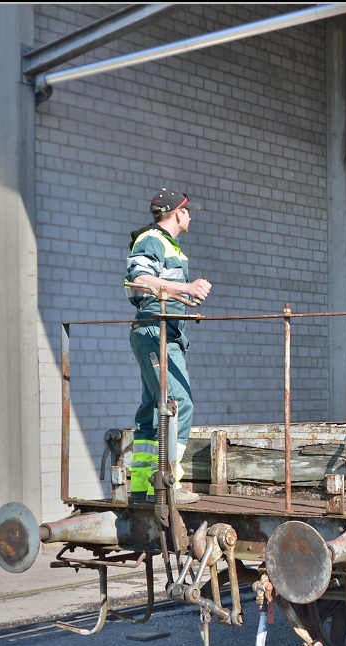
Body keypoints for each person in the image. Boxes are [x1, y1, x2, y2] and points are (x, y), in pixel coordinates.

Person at [125, 188, 212, 505]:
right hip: (155, 330)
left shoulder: (169, 246)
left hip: (162, 330)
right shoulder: (152, 239)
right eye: (188, 211)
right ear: (177, 213)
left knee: (151, 411)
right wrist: (186, 287)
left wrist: (184, 296)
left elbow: (160, 286)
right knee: (179, 404)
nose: (190, 217)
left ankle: (143, 488)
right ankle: (166, 484)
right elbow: (139, 282)